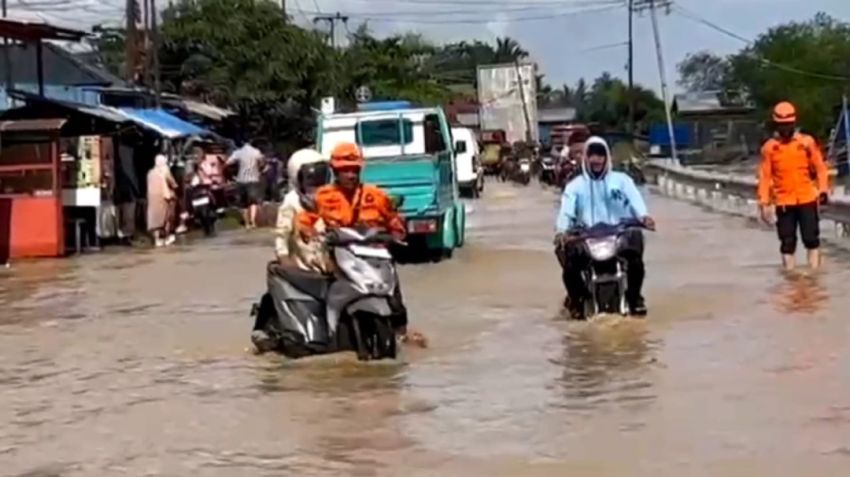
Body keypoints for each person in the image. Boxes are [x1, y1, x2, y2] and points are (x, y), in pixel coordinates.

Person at [297, 142, 426, 346]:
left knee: (396, 302)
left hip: (375, 258)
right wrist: (309, 233)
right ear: (335, 172)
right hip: (340, 258)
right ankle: (325, 333)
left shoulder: (376, 195)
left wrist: (397, 232)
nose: (350, 175)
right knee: (324, 292)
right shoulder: (323, 197)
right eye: (345, 170)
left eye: (354, 170)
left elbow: (393, 220)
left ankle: (401, 332)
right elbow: (306, 220)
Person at [555, 136, 655, 319]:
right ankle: (578, 301)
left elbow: (635, 200)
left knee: (636, 261)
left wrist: (644, 217)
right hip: (586, 238)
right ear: (586, 158)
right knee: (570, 268)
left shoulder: (622, 181)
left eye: (600, 155)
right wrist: (562, 230)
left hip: (619, 236)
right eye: (592, 155)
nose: (596, 160)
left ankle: (635, 298)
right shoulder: (575, 186)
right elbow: (566, 211)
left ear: (606, 157)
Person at [251, 148, 333, 352]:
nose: (316, 185)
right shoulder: (291, 202)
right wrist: (285, 260)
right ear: (298, 179)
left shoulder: (331, 199)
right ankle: (266, 331)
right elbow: (281, 235)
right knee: (277, 289)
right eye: (311, 179)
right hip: (301, 268)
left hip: (328, 264)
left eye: (320, 177)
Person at [757, 101, 830, 271]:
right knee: (787, 242)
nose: (785, 128)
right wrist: (764, 202)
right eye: (782, 125)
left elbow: (820, 168)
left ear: (794, 123)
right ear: (776, 124)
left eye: (788, 124)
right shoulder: (770, 148)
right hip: (784, 201)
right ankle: (790, 276)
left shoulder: (806, 142)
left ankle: (814, 275)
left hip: (807, 198)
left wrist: (823, 190)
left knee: (811, 239)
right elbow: (765, 177)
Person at [227, 140, 265, 229]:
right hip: (253, 179)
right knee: (253, 202)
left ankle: (247, 224)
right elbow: (262, 162)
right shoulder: (256, 152)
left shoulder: (238, 152)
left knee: (243, 204)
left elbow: (227, 163)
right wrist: (259, 170)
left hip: (241, 180)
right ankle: (253, 222)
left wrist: (231, 174)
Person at [146, 154, 178, 247]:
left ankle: (157, 240)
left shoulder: (150, 173)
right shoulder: (165, 171)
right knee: (166, 218)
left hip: (152, 198)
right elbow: (173, 183)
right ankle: (166, 238)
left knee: (155, 219)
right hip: (164, 198)